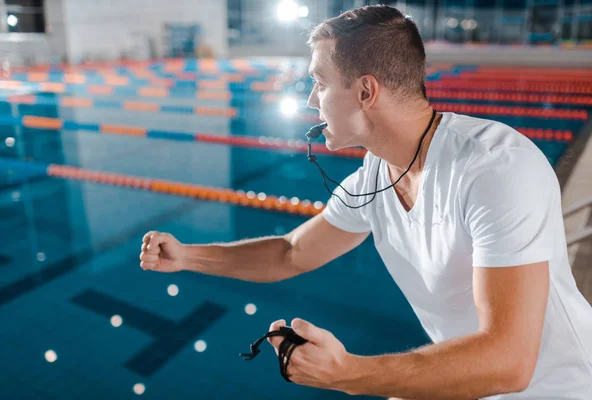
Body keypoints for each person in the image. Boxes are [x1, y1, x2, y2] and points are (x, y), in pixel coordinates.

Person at [139, 5, 592, 399]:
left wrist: (347, 374)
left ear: (365, 92)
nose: (312, 99)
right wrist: (188, 256)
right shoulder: (374, 176)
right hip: (472, 384)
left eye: (319, 81)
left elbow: (509, 361)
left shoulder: (494, 170)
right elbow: (289, 253)